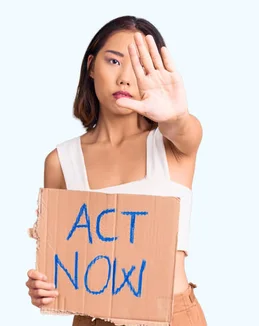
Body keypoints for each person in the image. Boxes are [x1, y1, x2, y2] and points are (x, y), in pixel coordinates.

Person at [24, 15, 207, 326]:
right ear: (91, 66)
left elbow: (183, 128)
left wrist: (175, 116)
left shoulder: (173, 144)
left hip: (172, 318)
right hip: (93, 320)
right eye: (113, 61)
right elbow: (61, 263)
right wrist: (43, 288)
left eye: (139, 67)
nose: (125, 78)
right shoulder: (60, 161)